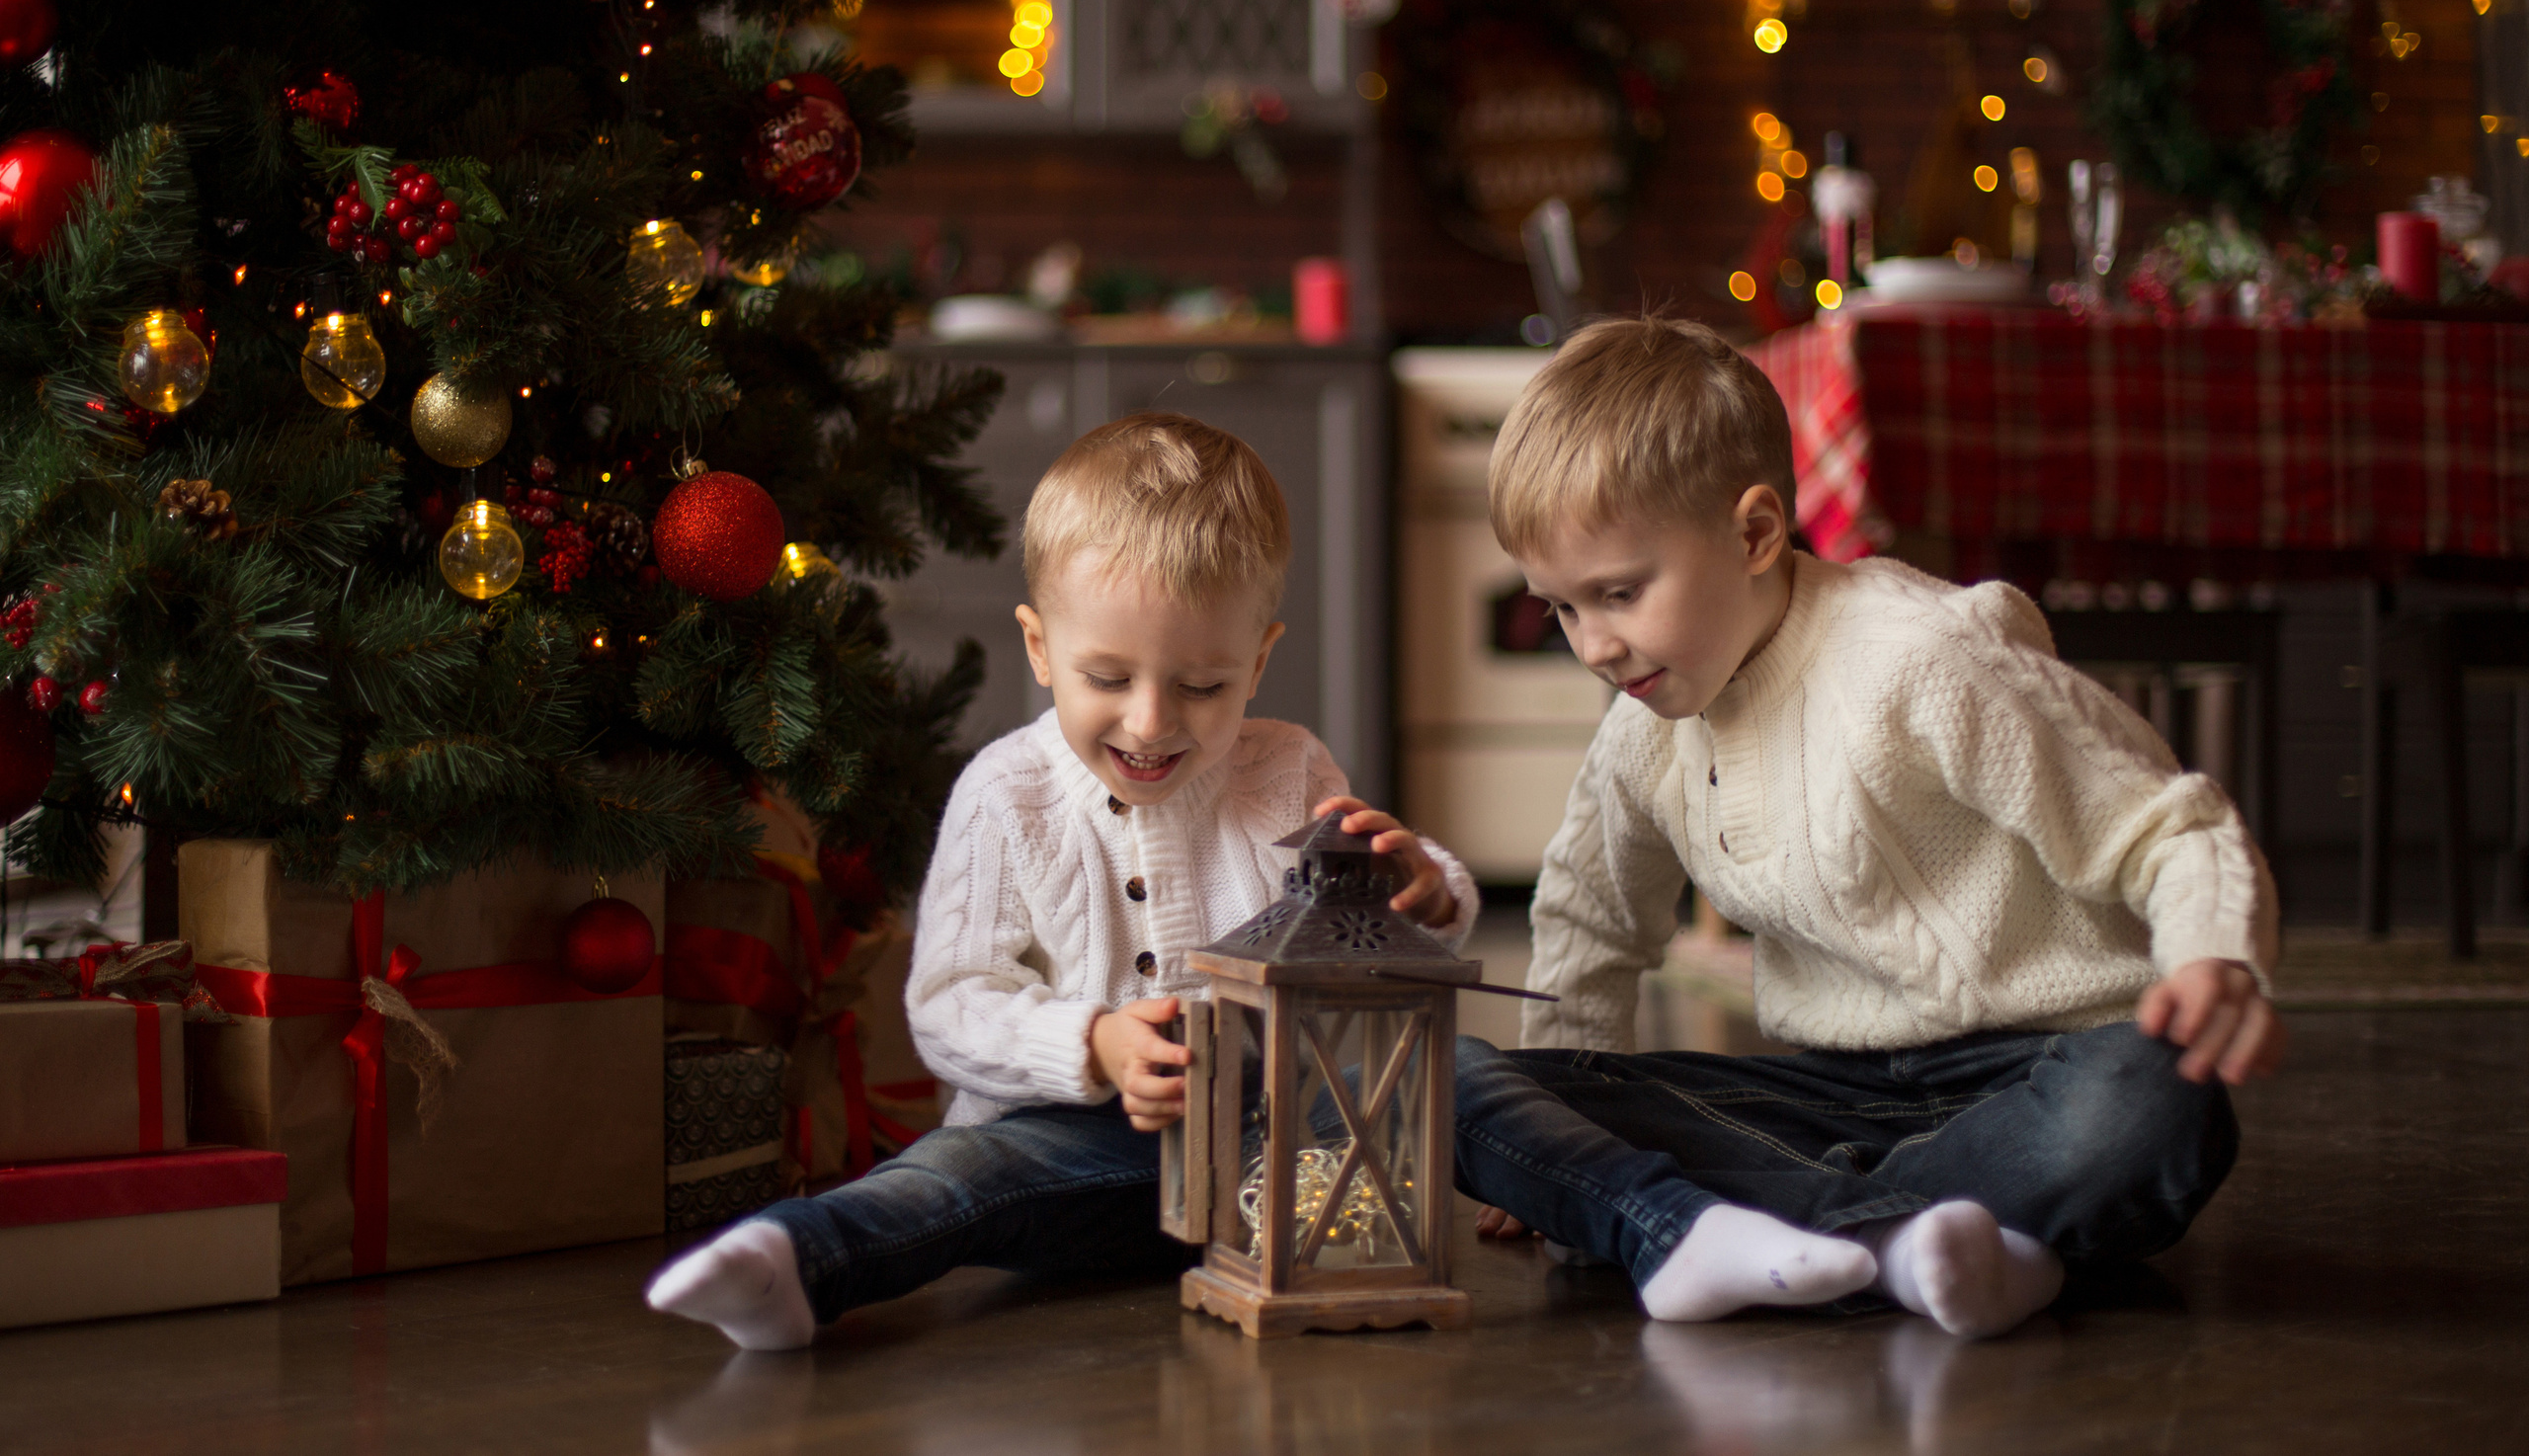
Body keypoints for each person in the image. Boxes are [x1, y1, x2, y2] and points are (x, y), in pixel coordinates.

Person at [1456, 317, 2282, 1339]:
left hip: (2037, 1071)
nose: (1595, 645)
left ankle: (1704, 1231)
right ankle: (1941, 1246)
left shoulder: (1922, 661)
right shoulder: (1641, 731)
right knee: (1442, 1080)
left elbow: (2170, 825)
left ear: (1755, 533)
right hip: (1833, 1099)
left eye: (1619, 593)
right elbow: (1591, 918)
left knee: (2152, 1102)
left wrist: (2213, 956)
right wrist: (1556, 1127)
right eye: (1562, 610)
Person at [648, 411, 1479, 1349]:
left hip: (1264, 1160)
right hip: (1060, 1158)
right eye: (1107, 677)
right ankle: (793, 1261)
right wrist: (1093, 1044)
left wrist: (1424, 886)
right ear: (1041, 649)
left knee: (1472, 1076)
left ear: (1260, 657)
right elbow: (950, 1002)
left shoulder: (1288, 768)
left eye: (1203, 685)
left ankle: (1649, 1221)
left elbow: (1368, 926)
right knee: (948, 1175)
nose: (1153, 720)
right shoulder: (1008, 795)